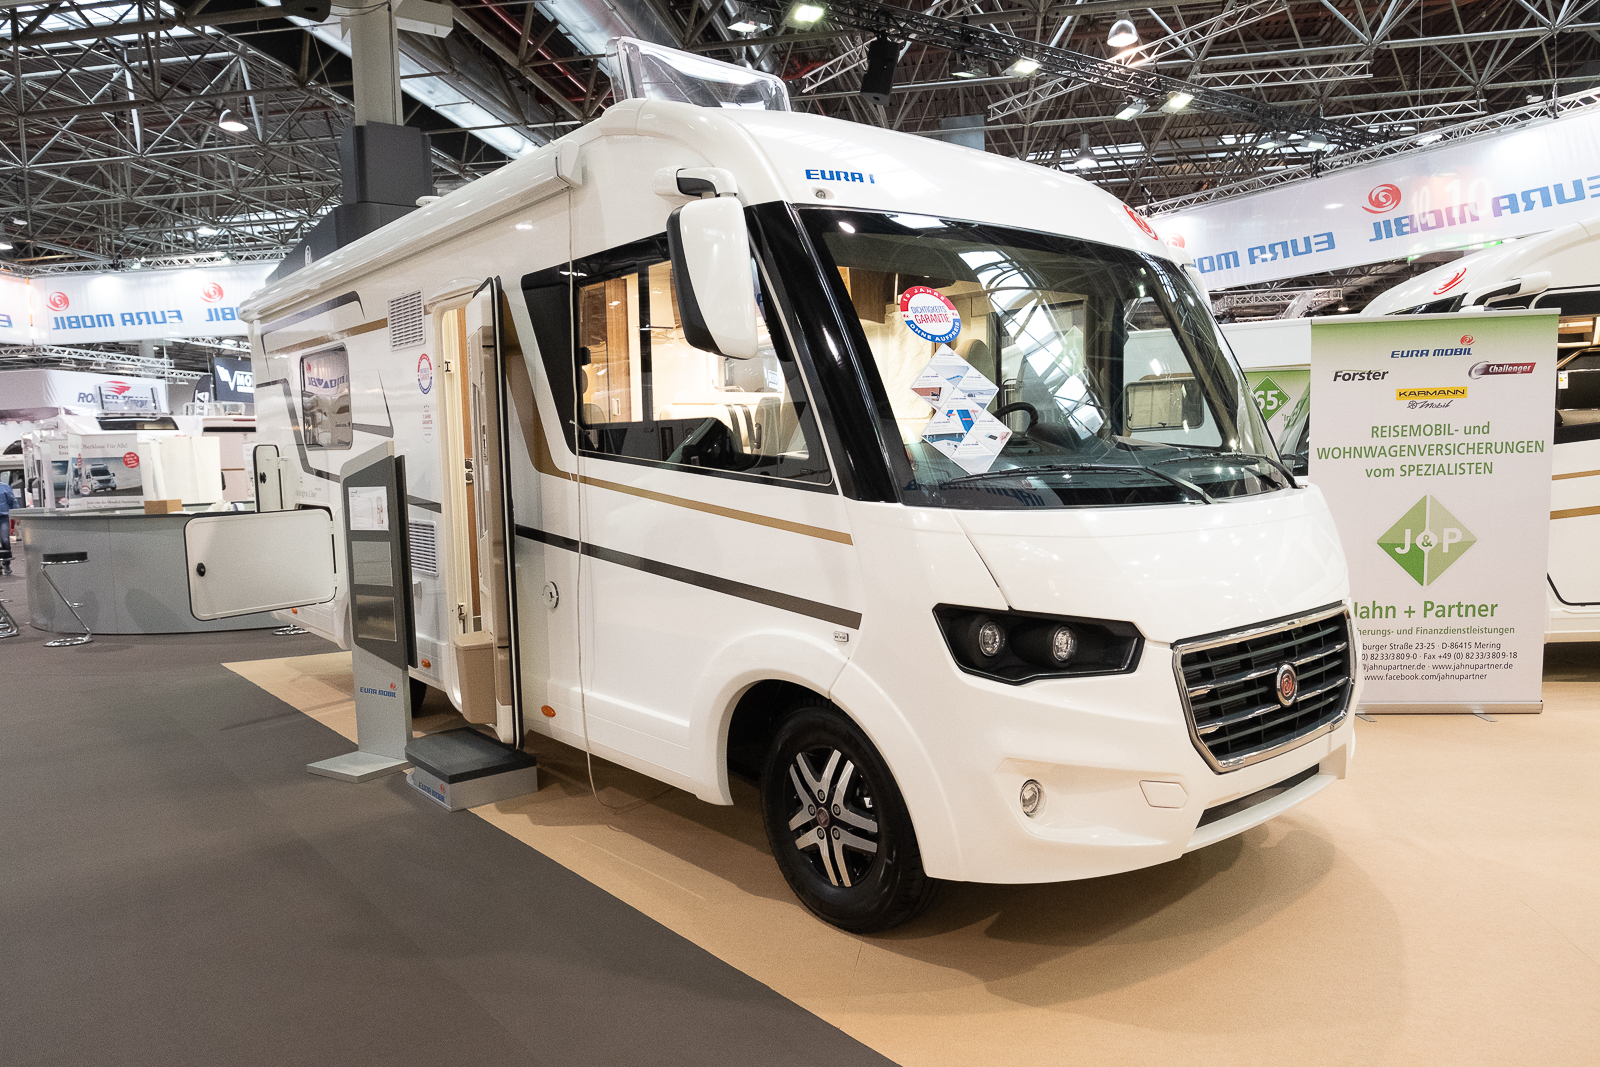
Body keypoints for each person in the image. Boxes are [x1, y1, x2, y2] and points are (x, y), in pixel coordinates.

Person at [0, 479, 16, 575]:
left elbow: (12, 501)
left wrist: (17, 514)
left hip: (3, 518)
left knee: (5, 540)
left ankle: (6, 564)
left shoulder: (4, 487)